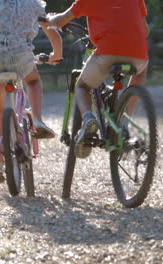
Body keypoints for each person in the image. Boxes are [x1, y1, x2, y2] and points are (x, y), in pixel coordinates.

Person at [46, 0, 150, 159]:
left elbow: (60, 21)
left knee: (82, 86)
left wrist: (49, 19)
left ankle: (88, 119)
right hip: (137, 54)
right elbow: (145, 30)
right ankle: (124, 120)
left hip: (107, 52)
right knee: (140, 71)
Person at [0, 0, 63, 183]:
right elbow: (53, 34)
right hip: (21, 57)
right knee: (34, 81)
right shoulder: (34, 6)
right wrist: (56, 56)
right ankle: (37, 120)